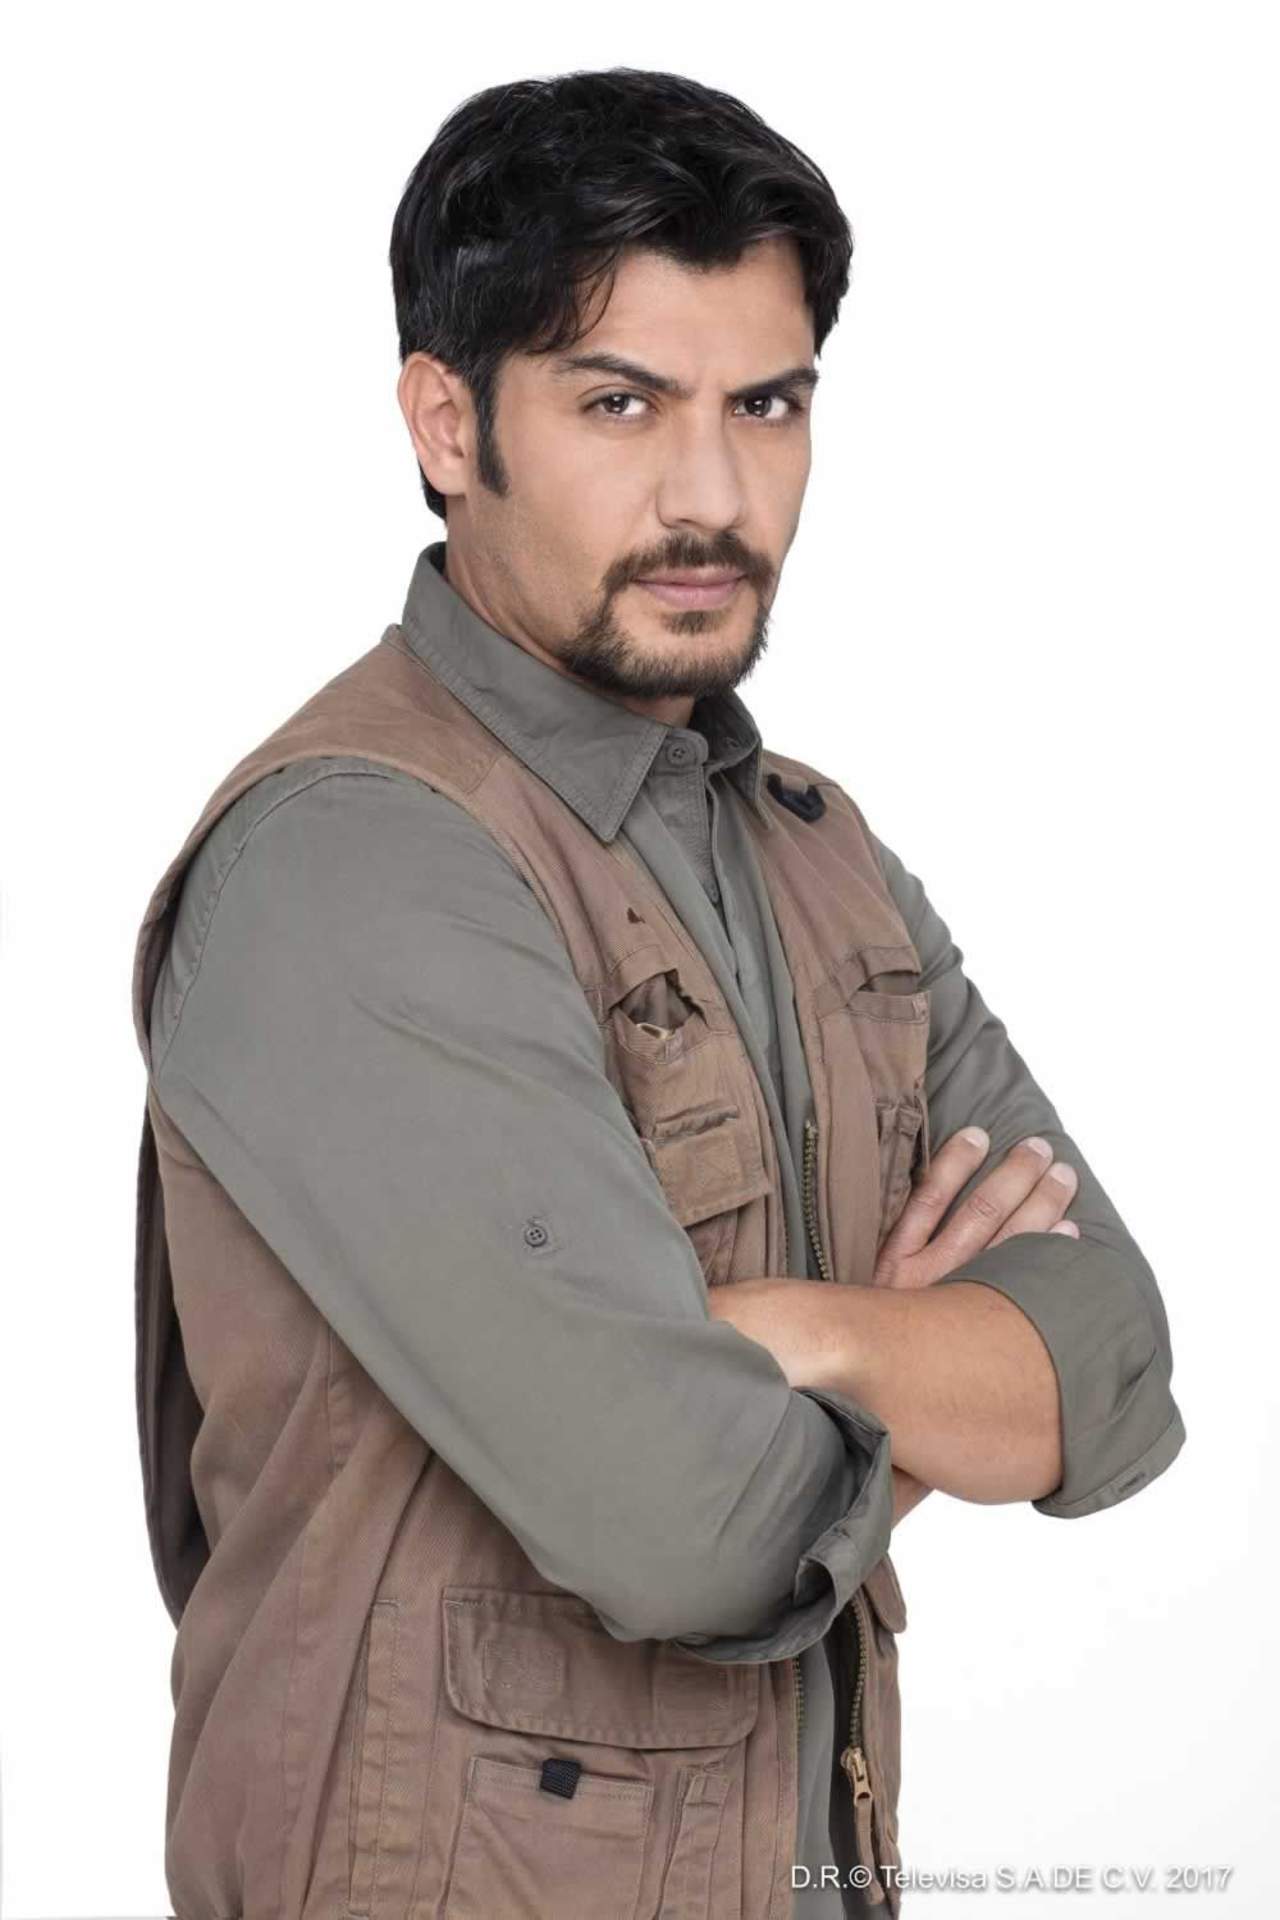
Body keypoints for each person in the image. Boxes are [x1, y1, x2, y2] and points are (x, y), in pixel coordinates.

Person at [130, 67, 1184, 1920]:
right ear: (447, 422)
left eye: (765, 405)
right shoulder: (357, 860)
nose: (712, 494)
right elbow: (696, 1531)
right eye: (619, 403)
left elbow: (1109, 1359)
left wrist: (808, 1335)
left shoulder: (816, 849)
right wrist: (917, 1362)